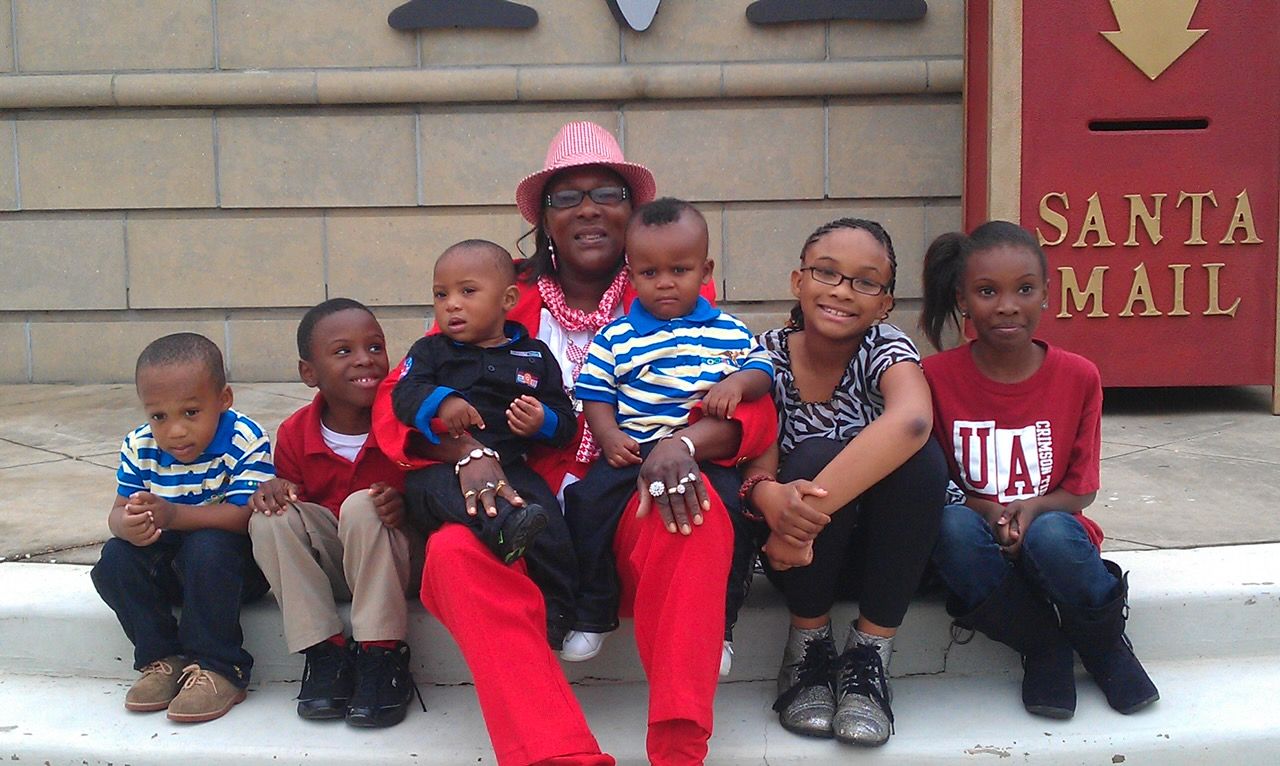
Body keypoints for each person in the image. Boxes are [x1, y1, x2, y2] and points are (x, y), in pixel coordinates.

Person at [371, 120, 775, 765]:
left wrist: (683, 445)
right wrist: (467, 453)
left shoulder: (677, 294)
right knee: (453, 554)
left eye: (607, 192)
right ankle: (556, 754)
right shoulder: (491, 293)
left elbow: (750, 408)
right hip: (518, 501)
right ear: (544, 220)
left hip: (631, 494)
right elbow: (401, 398)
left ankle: (679, 752)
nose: (588, 208)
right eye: (566, 197)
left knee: (693, 513)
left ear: (632, 209)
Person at [920, 220, 1159, 719]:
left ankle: (1105, 645)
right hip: (979, 541)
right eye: (988, 291)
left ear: (1047, 294)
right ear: (963, 300)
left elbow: (1081, 491)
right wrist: (989, 512)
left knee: (1051, 533)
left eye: (1024, 289)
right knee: (947, 527)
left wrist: (1030, 511)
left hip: (1054, 538)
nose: (1007, 305)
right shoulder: (935, 377)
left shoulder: (1078, 376)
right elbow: (935, 483)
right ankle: (1042, 643)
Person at [740, 218, 947, 746]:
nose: (841, 291)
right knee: (810, 453)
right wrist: (770, 499)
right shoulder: (763, 355)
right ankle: (807, 650)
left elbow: (912, 421)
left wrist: (802, 518)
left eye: (865, 282)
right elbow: (752, 457)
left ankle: (868, 656)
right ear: (798, 281)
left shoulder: (885, 348)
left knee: (921, 459)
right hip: (800, 562)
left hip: (888, 559)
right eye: (826, 273)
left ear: (885, 303)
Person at [562, 197, 773, 662]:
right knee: (585, 505)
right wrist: (608, 435)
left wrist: (737, 383)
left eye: (680, 270)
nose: (664, 283)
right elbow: (595, 392)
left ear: (705, 270)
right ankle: (593, 611)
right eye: (649, 272)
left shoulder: (728, 330)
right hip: (633, 449)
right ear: (631, 275)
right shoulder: (616, 336)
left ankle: (719, 626)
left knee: (731, 517)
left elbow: (763, 371)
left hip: (703, 453)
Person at [392, 240, 579, 646]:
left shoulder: (534, 355)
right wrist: (444, 402)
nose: (452, 305)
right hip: (442, 465)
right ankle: (504, 529)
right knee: (435, 491)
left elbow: (566, 422)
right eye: (441, 295)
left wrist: (541, 421)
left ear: (507, 299)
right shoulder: (431, 351)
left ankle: (559, 609)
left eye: (467, 291)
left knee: (547, 521)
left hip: (510, 464)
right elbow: (403, 395)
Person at [246, 298, 421, 728]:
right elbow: (297, 520)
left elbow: (437, 501)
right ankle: (326, 654)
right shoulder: (295, 433)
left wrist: (407, 509)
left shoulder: (405, 423)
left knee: (364, 503)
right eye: (343, 351)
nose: (365, 359)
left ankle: (381, 656)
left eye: (375, 347)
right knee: (270, 515)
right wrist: (274, 491)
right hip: (337, 566)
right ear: (309, 373)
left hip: (399, 566)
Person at [90, 332, 272, 723]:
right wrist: (127, 525)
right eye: (159, 416)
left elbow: (244, 517)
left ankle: (220, 667)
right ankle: (162, 658)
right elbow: (117, 511)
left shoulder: (244, 438)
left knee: (208, 547)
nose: (175, 431)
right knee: (114, 558)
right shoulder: (140, 445)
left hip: (233, 570)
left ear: (223, 399)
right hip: (174, 567)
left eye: (191, 412)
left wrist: (174, 516)